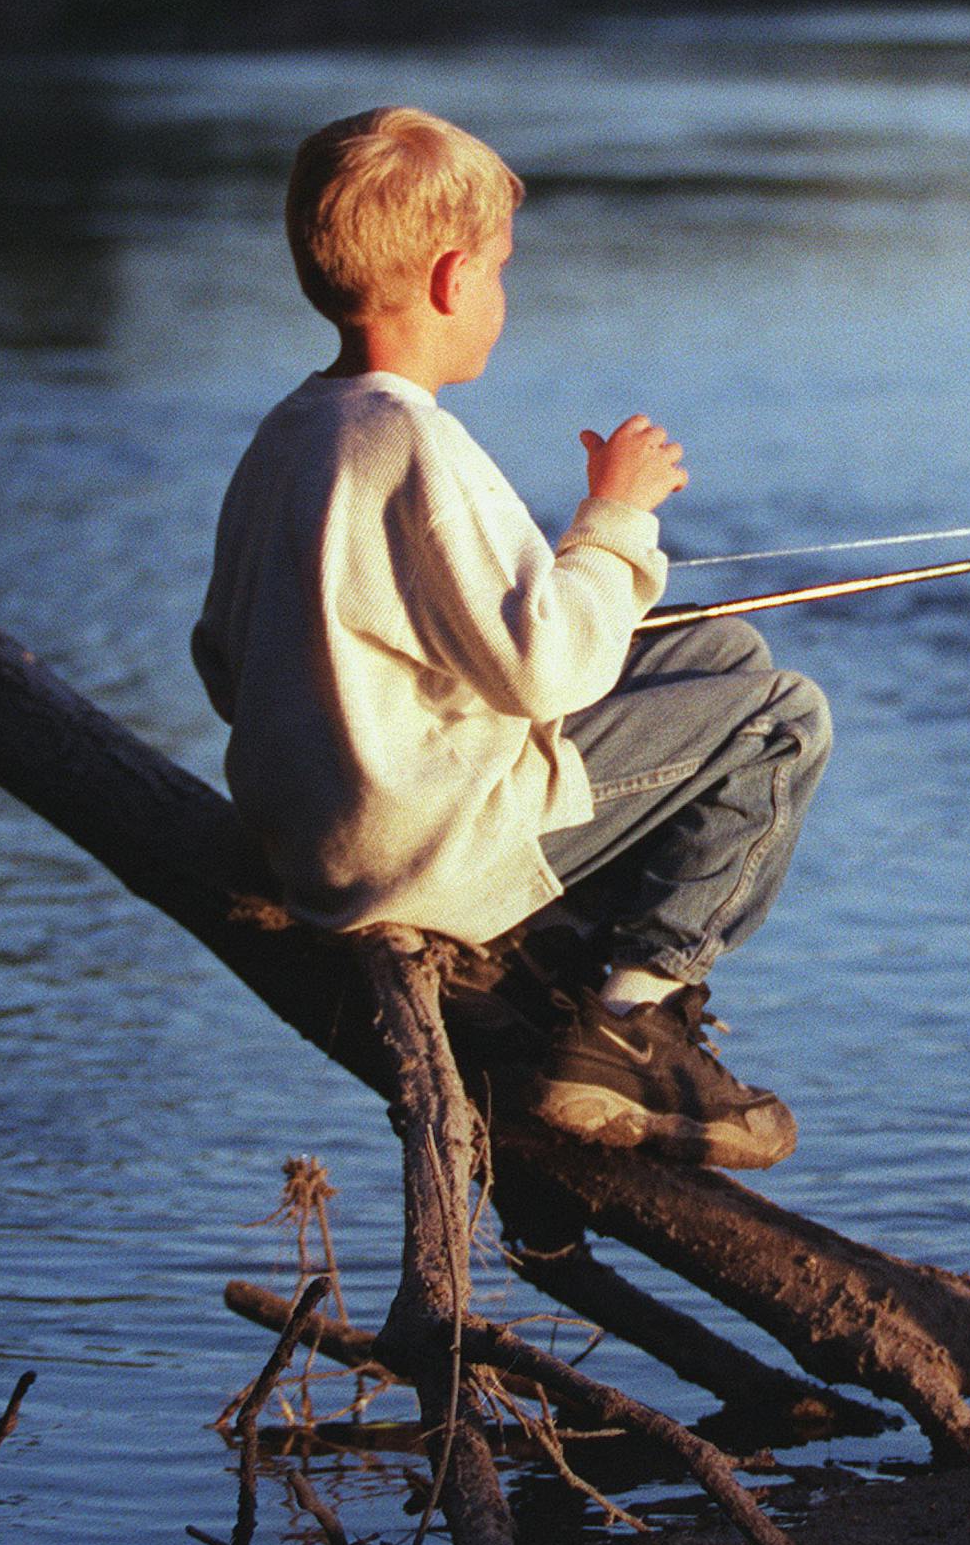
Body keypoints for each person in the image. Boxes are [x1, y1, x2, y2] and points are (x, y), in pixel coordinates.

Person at [192, 105, 827, 1169]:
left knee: (718, 656)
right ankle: (624, 1025)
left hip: (325, 833)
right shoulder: (414, 445)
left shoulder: (294, 431)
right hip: (422, 850)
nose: (500, 297)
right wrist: (614, 517)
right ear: (449, 281)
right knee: (780, 720)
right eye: (499, 271)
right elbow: (547, 667)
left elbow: (222, 660)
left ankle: (570, 950)